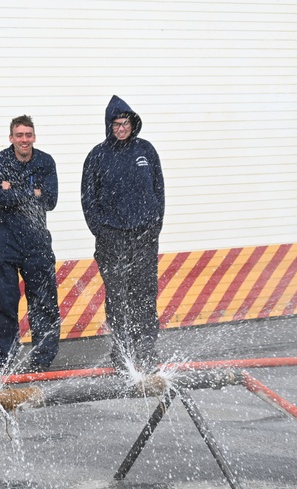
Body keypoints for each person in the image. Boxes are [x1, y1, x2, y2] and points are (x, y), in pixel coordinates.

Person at [81, 95, 165, 374]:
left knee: (145, 292)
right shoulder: (97, 156)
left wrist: (154, 227)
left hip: (144, 236)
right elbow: (88, 199)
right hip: (112, 238)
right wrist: (101, 232)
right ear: (109, 126)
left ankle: (146, 347)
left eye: (125, 123)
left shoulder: (146, 151)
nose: (121, 128)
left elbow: (159, 191)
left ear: (133, 123)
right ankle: (122, 349)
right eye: (116, 124)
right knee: (117, 295)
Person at [0, 115, 60, 376]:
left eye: (28, 134)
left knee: (43, 304)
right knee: (4, 304)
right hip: (5, 244)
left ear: (34, 137)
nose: (24, 139)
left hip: (37, 242)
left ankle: (42, 359)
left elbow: (50, 200)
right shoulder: (1, 160)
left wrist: (14, 190)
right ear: (11, 138)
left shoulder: (46, 162)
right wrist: (33, 191)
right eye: (19, 135)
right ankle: (2, 361)